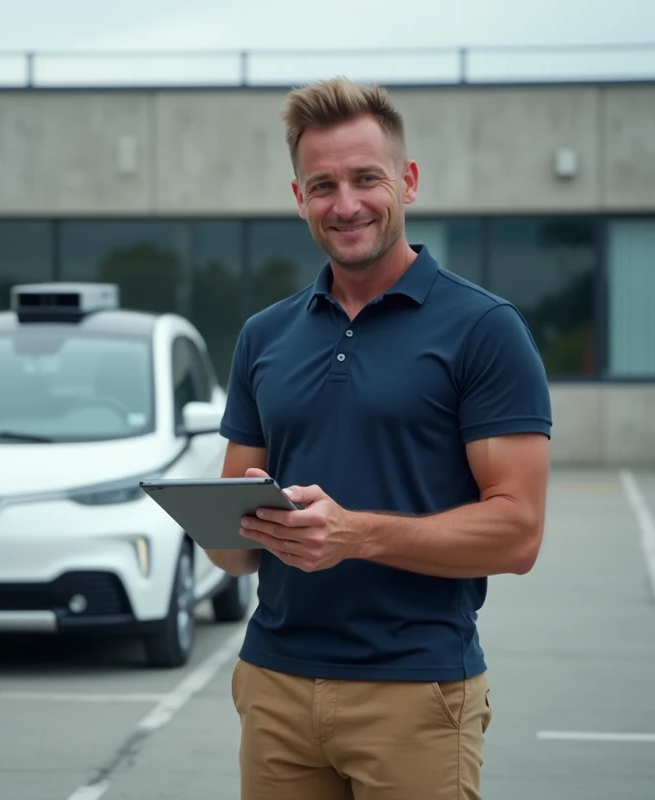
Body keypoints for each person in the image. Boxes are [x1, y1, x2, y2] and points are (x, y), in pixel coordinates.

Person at [205, 76, 553, 800]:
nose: (347, 203)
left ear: (409, 181)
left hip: (415, 690)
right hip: (274, 684)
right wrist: (221, 519)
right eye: (322, 184)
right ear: (299, 198)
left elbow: (517, 533)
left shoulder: (485, 330)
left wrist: (357, 535)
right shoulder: (263, 336)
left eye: (367, 178)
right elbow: (231, 555)